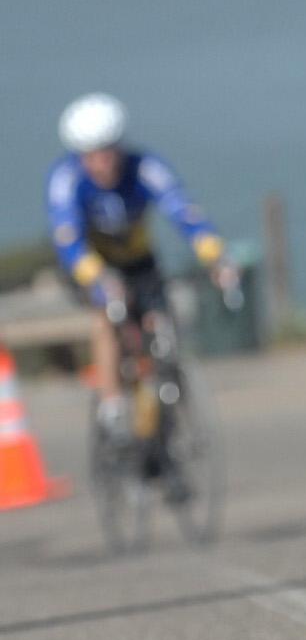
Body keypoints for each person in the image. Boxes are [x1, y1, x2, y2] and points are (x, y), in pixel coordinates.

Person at [46, 93, 237, 435]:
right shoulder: (65, 179)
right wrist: (97, 277)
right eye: (92, 155)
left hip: (139, 262)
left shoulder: (145, 167)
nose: (103, 163)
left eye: (108, 151)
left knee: (160, 324)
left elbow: (184, 211)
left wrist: (215, 256)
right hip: (92, 265)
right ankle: (112, 404)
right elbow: (68, 239)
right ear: (79, 155)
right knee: (108, 318)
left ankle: (164, 401)